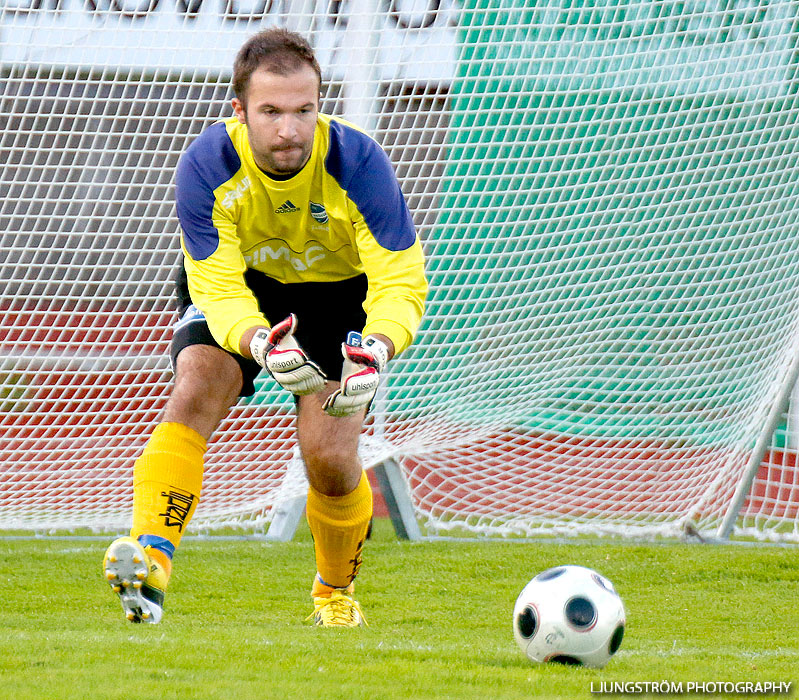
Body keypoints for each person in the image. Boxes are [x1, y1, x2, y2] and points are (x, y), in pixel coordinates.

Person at [102, 27, 427, 628]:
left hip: (340, 300)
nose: (289, 129)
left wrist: (377, 348)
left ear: (318, 105)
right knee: (196, 386)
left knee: (329, 456)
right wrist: (257, 341)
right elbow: (218, 285)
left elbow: (400, 280)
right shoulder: (208, 165)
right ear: (240, 111)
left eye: (304, 110)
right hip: (244, 291)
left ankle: (333, 594)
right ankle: (149, 567)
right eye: (271, 111)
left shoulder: (359, 164)